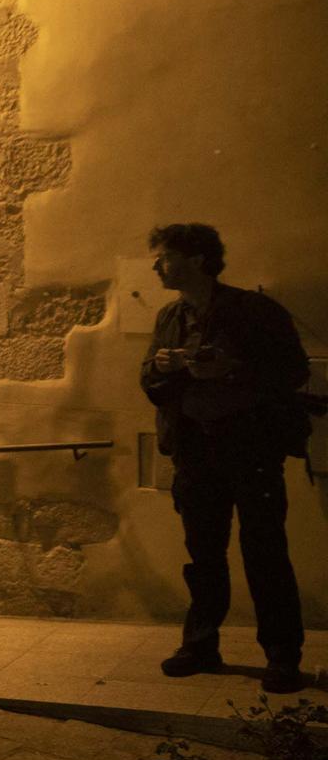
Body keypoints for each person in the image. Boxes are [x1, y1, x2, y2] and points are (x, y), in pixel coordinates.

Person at [139, 223, 311, 694]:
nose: (156, 265)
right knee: (203, 554)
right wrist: (162, 368)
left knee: (266, 553)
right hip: (195, 451)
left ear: (197, 260)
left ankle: (281, 657)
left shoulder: (254, 311)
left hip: (251, 448)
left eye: (165, 256)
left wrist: (231, 368)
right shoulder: (170, 317)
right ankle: (200, 645)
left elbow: (293, 371)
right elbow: (150, 384)